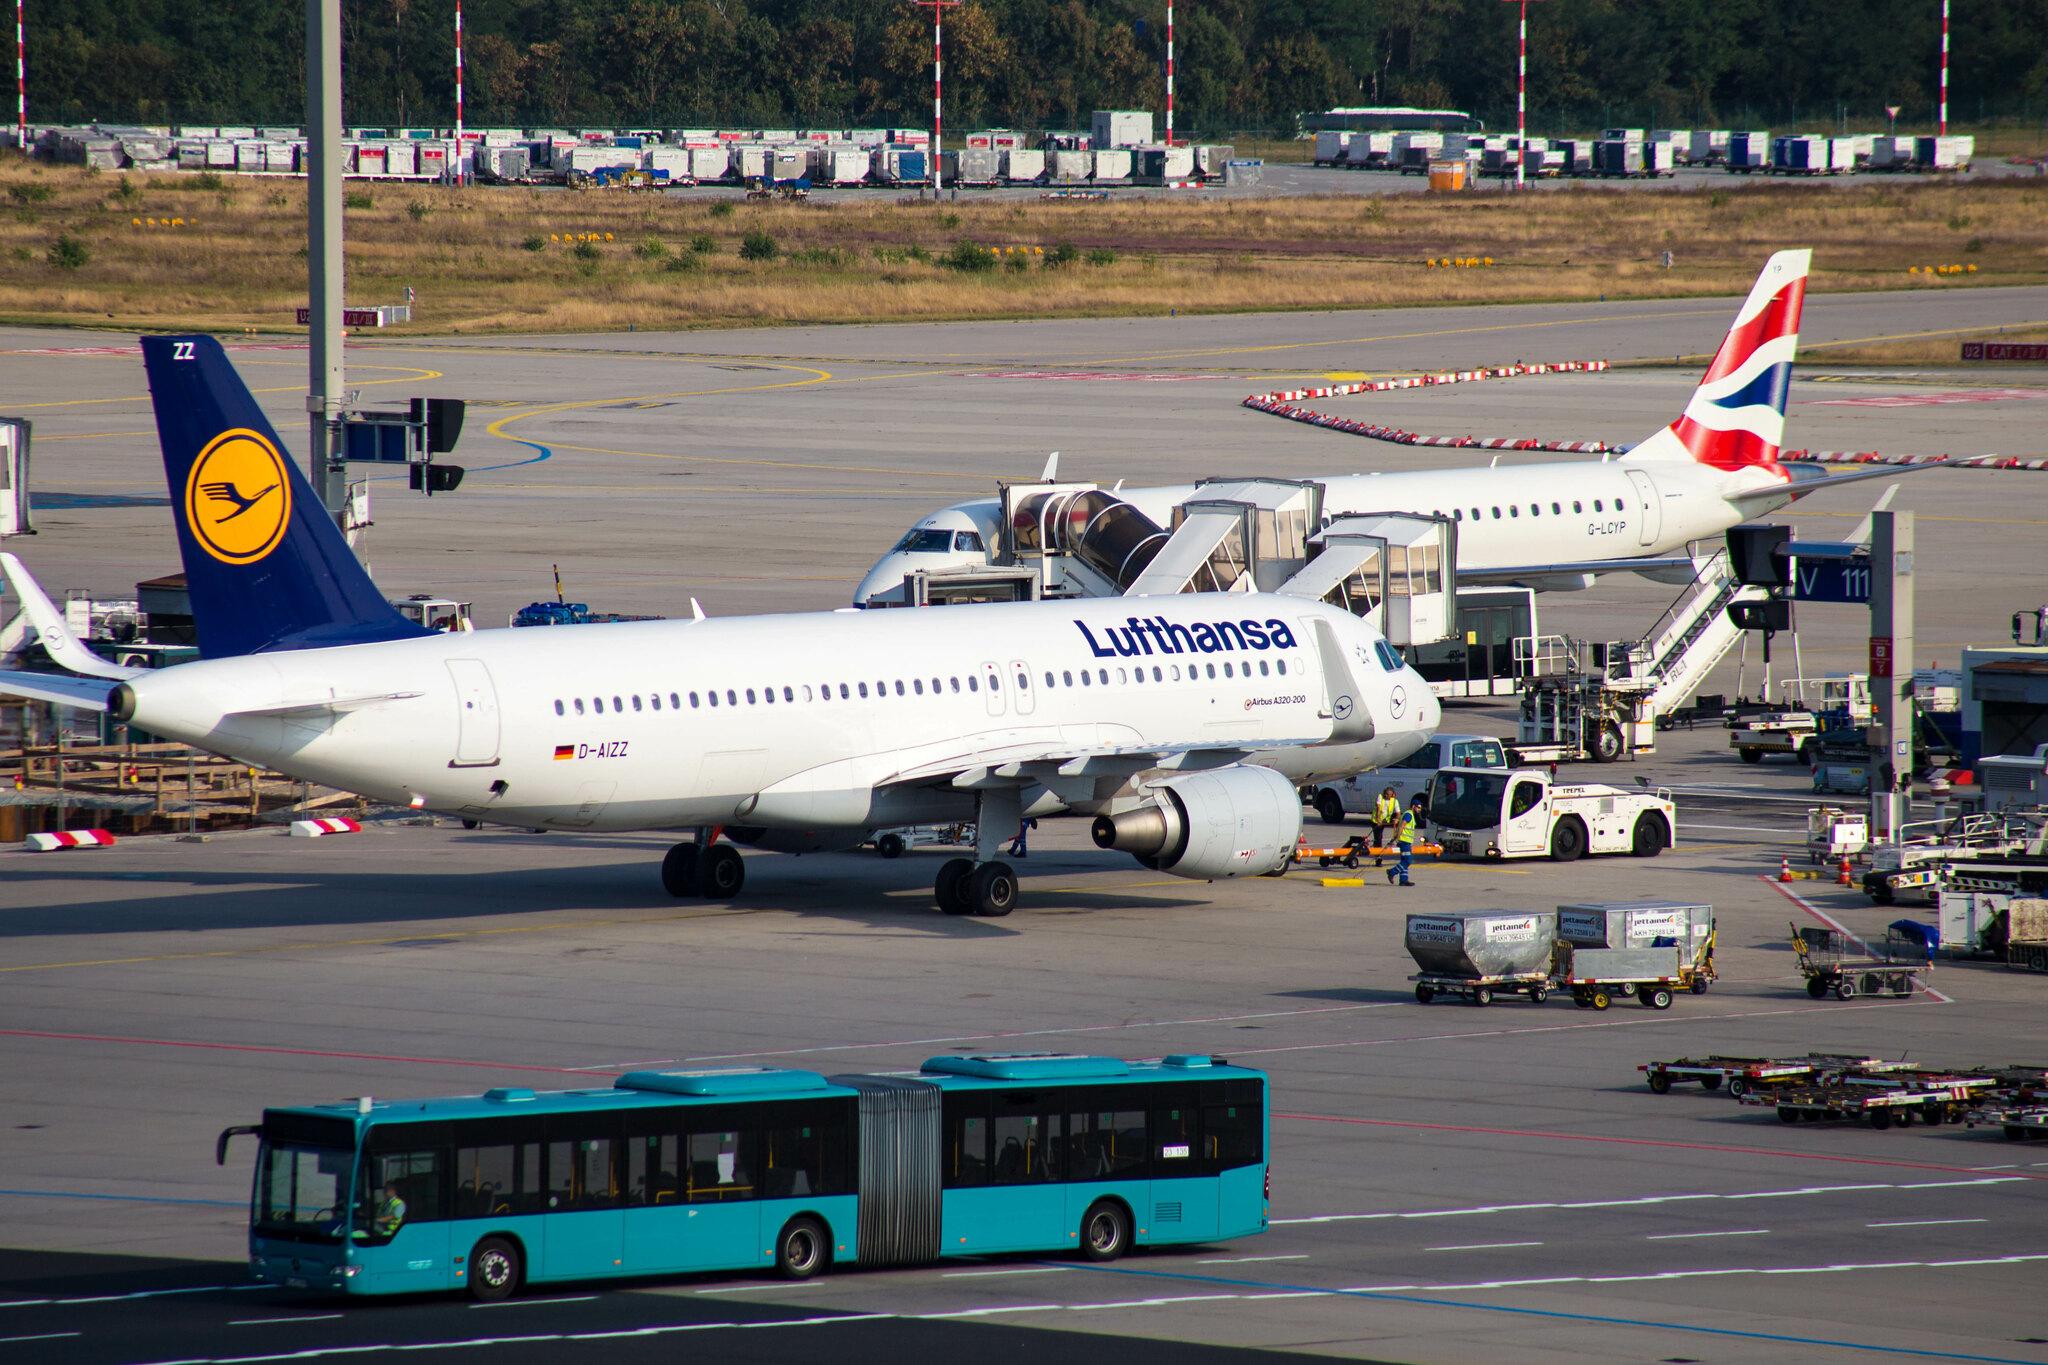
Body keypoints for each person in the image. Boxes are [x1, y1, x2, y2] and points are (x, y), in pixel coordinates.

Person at [1387, 795, 1424, 888]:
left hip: (1406, 841)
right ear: (1413, 806)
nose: (1419, 810)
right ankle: (1391, 872)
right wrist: (1397, 838)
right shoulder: (1409, 814)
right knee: (1408, 861)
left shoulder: (1409, 814)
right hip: (1404, 841)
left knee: (1404, 860)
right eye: (1418, 807)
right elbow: (1402, 826)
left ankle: (1403, 880)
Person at [1370, 786, 1401, 867]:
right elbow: (1378, 808)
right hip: (1376, 821)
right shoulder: (1380, 797)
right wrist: (1378, 820)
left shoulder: (1394, 801)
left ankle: (1394, 841)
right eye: (1386, 794)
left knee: (1380, 837)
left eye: (1388, 795)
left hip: (1384, 821)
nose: (1386, 796)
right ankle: (1378, 859)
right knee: (1378, 838)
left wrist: (1397, 819)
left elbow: (1398, 812)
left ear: (1392, 795)